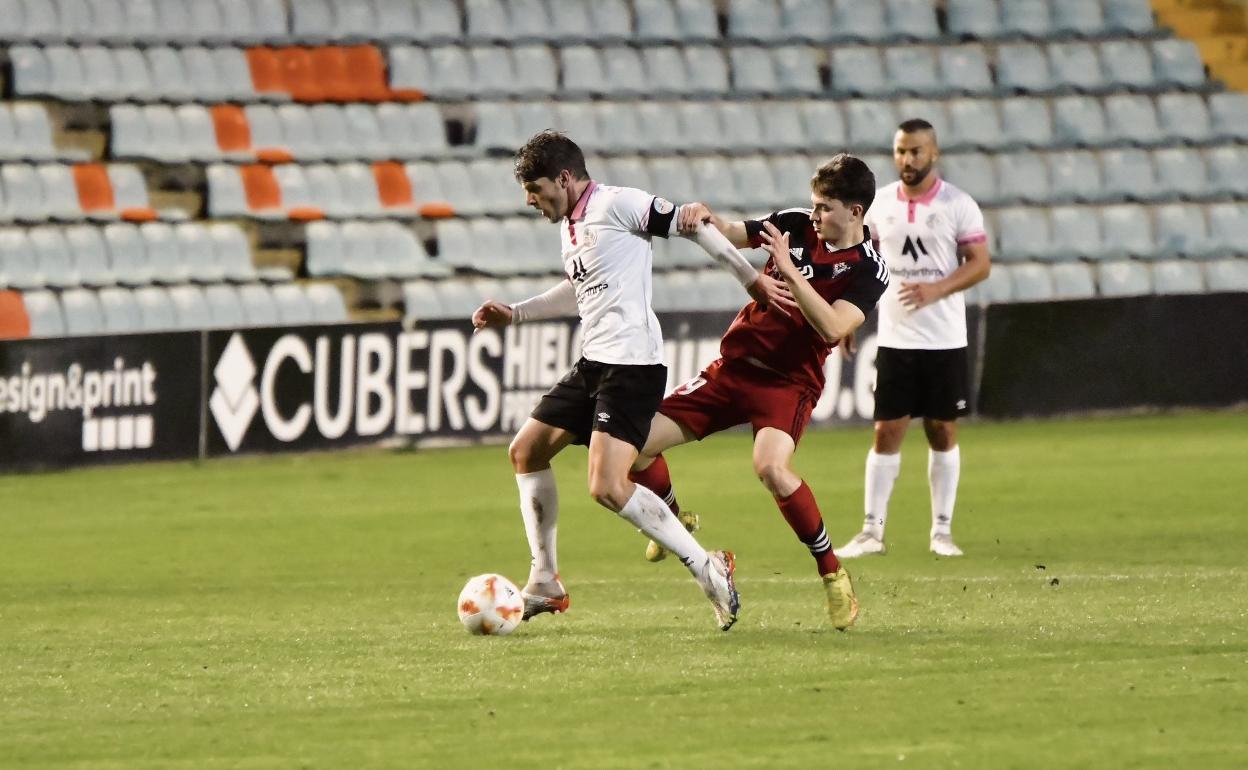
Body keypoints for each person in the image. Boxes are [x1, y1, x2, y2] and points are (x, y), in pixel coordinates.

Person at [471, 131, 794, 631]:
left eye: (535, 190)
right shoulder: (572, 226)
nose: (530, 201)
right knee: (526, 451)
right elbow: (578, 290)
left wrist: (750, 279)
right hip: (595, 363)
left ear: (563, 178)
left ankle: (708, 567)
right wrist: (515, 314)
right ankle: (545, 581)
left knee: (606, 486)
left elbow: (694, 224)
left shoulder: (619, 204)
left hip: (632, 366)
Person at [629, 154, 889, 631]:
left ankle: (832, 573)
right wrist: (703, 217)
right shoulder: (793, 223)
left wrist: (788, 271)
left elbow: (832, 327)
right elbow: (732, 232)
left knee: (771, 467)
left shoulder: (869, 270)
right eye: (813, 206)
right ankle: (673, 520)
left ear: (855, 212)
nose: (814, 217)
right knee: (635, 444)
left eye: (825, 208)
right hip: (734, 367)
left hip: (788, 384)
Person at [837, 118, 992, 559]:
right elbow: (862, 264)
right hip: (895, 338)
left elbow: (980, 263)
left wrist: (937, 288)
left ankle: (941, 530)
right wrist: (852, 318)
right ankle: (872, 531)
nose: (908, 160)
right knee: (886, 431)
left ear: (934, 153)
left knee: (942, 430)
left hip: (944, 338)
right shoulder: (880, 204)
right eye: (901, 151)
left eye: (916, 151)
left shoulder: (960, 205)